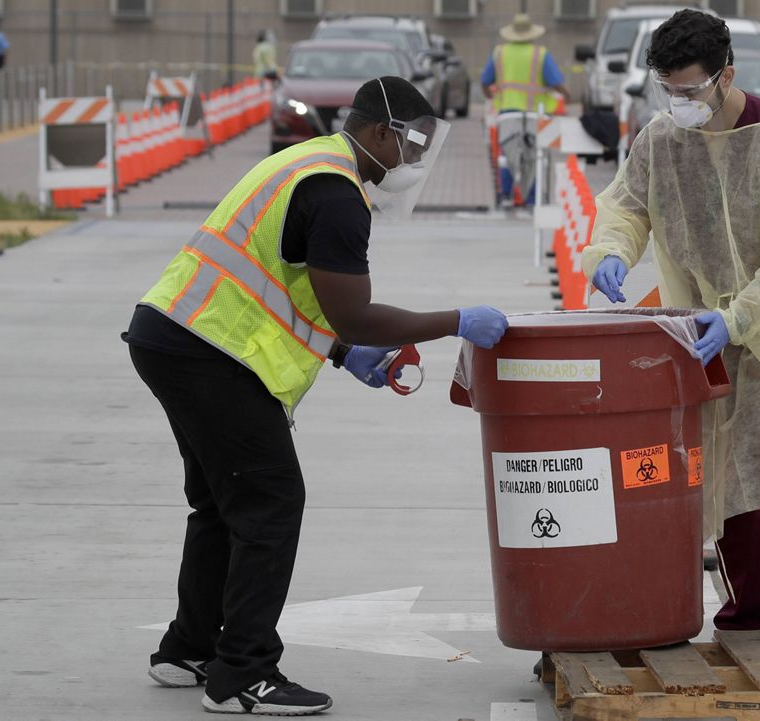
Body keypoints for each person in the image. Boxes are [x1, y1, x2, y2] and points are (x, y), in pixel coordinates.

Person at [123, 76, 509, 716]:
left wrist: (338, 352)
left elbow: (283, 286)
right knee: (271, 504)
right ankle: (242, 673)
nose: (413, 162)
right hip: (208, 354)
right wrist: (456, 319)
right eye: (412, 145)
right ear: (382, 131)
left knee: (224, 504)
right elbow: (354, 313)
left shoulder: (305, 162)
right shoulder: (336, 195)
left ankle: (188, 648)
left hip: (172, 335)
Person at [582, 10, 760, 649]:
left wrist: (740, 315)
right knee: (724, 471)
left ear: (725, 75)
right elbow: (629, 205)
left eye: (690, 90)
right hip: (701, 328)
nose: (678, 103)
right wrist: (610, 250)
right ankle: (746, 611)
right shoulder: (661, 139)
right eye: (668, 90)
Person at [481, 14, 570, 206]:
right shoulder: (540, 54)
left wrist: (490, 96)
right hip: (535, 114)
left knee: (507, 154)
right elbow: (556, 83)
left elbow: (485, 80)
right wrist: (567, 96)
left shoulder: (499, 53)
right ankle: (532, 199)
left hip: (507, 114)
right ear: (532, 34)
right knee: (534, 156)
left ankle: (505, 196)